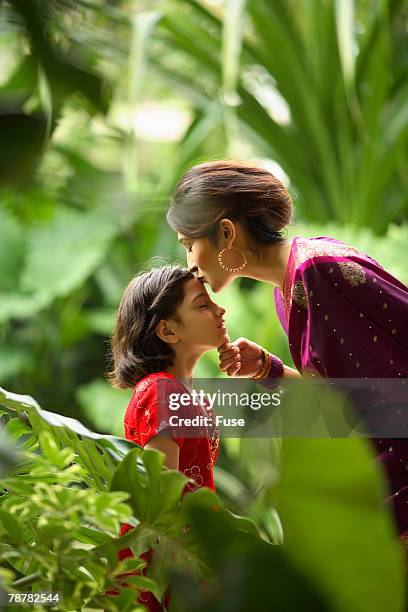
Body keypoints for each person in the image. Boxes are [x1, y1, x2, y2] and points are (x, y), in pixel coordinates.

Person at [166, 159, 408, 544]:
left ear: (226, 233)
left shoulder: (317, 269)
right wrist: (266, 368)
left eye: (188, 245)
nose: (189, 265)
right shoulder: (288, 291)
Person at [104, 265, 229, 610]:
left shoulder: (190, 397)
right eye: (202, 305)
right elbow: (162, 502)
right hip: (164, 573)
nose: (220, 310)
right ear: (168, 330)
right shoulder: (161, 391)